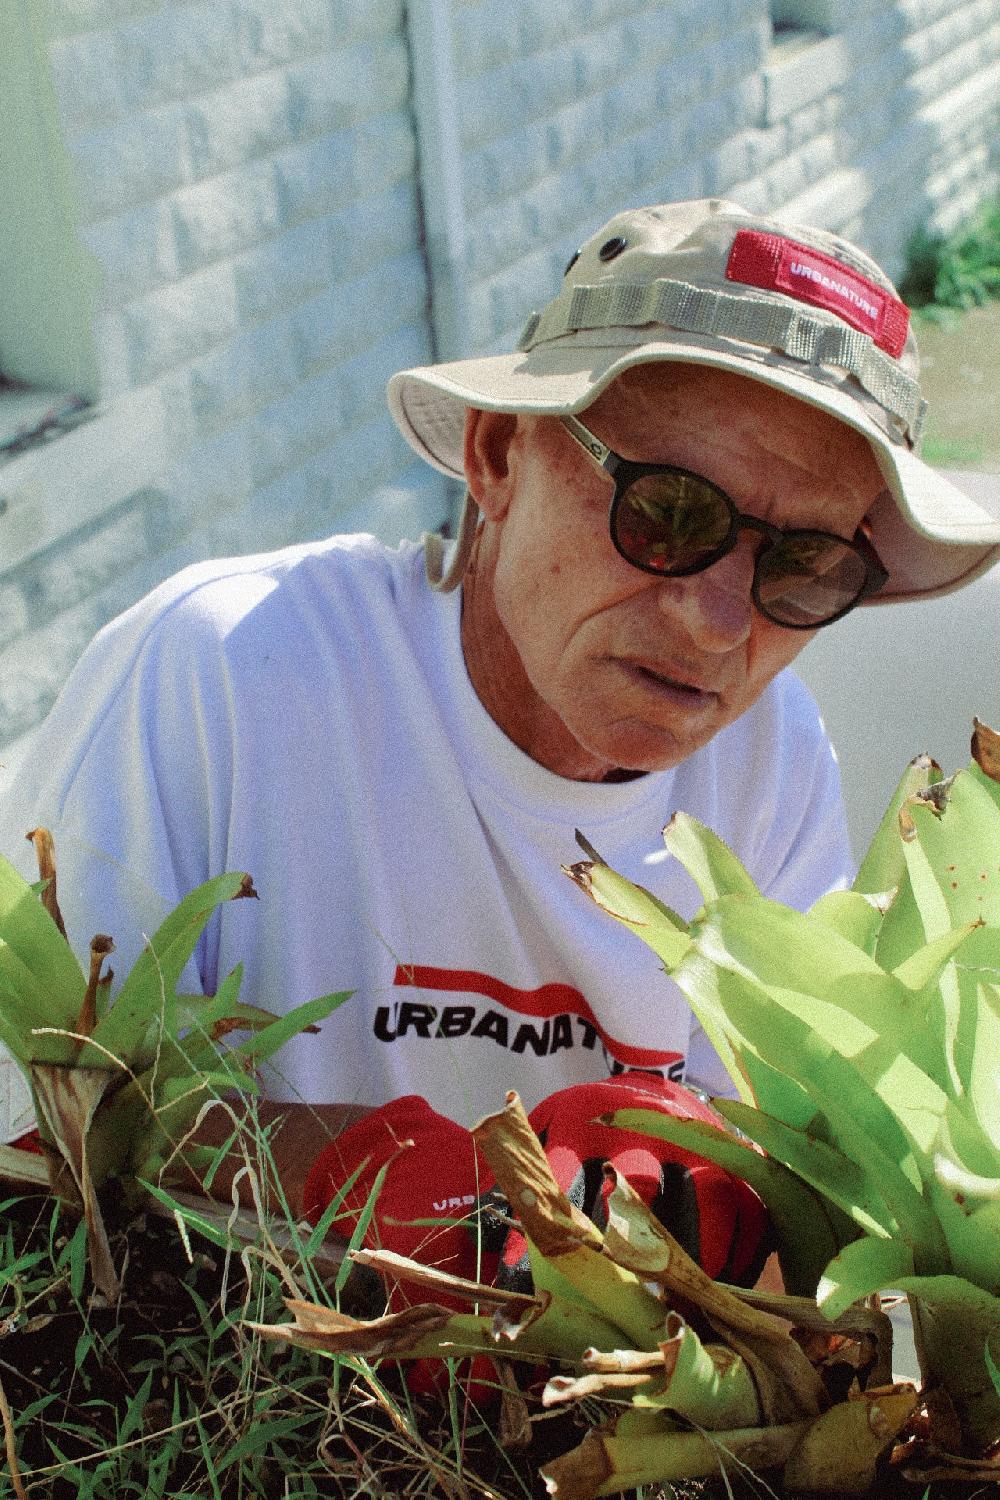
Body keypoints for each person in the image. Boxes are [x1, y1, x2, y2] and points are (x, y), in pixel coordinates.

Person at [2, 198, 998, 1232]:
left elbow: (762, 1141)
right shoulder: (224, 674)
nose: (716, 625)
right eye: (666, 513)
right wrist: (394, 1178)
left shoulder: (772, 764)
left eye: (804, 565)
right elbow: (58, 1100)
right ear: (496, 456)